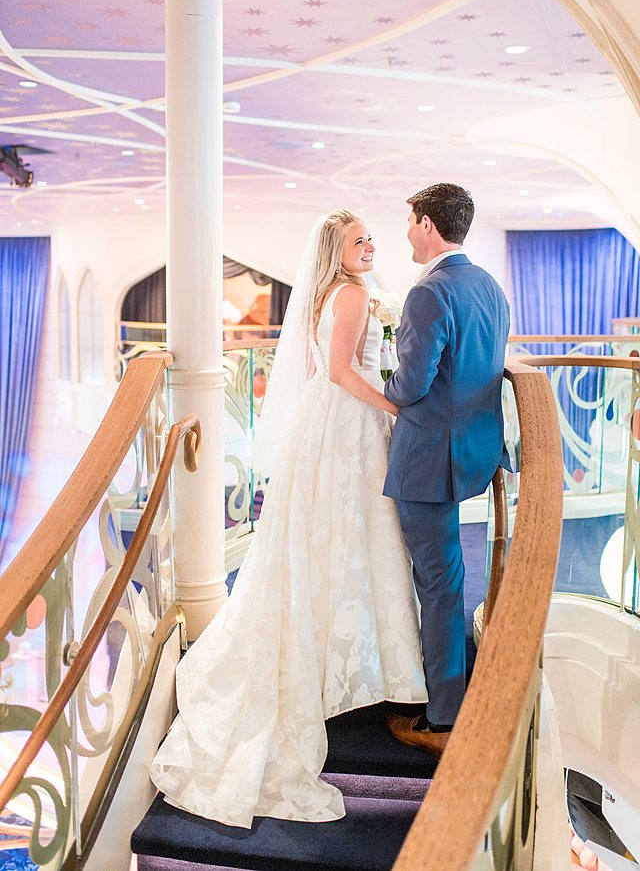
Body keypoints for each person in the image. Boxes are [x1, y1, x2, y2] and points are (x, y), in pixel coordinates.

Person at [150, 211, 427, 829]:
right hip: (349, 424)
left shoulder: (329, 294)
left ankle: (337, 642)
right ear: (336, 250)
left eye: (370, 238)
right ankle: (358, 657)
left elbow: (321, 371)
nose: (369, 246)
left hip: (325, 427)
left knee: (333, 538)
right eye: (358, 241)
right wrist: (394, 407)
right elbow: (338, 371)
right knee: (360, 534)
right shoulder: (353, 294)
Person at [385, 183, 510, 758]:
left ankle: (443, 718)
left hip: (431, 457)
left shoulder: (428, 292)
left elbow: (410, 385)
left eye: (411, 222)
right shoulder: (488, 286)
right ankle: (446, 692)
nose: (408, 232)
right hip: (475, 449)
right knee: (450, 577)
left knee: (438, 583)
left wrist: (384, 377)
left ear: (429, 225)